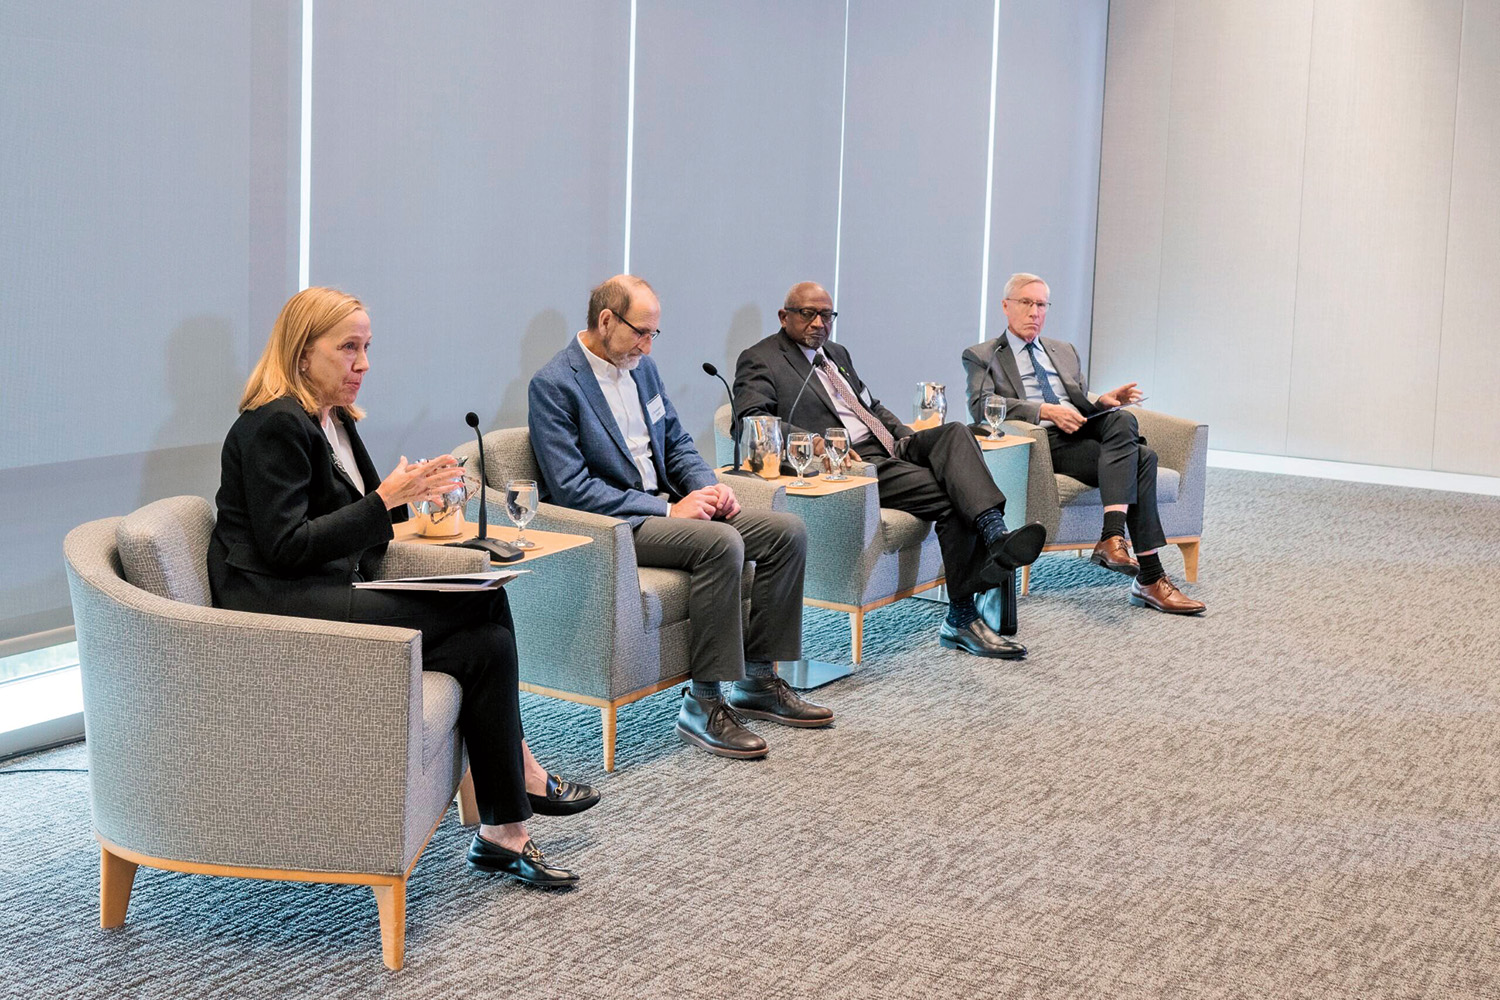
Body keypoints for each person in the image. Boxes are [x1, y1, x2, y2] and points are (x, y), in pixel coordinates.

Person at [208, 286, 597, 889]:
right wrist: (385, 499)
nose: (363, 364)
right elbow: (285, 547)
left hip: (324, 585)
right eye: (348, 348)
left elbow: (363, 533)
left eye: (367, 348)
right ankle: (521, 771)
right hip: (275, 604)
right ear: (302, 353)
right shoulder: (273, 425)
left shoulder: (332, 420)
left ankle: (503, 832)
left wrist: (418, 493)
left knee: (487, 640)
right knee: (484, 604)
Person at [528, 275, 830, 760]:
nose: (647, 347)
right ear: (606, 321)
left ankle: (758, 680)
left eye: (654, 335)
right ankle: (703, 703)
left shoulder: (641, 369)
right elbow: (572, 490)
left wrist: (707, 486)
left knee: (785, 532)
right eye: (640, 333)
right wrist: (668, 508)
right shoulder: (554, 384)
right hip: (622, 524)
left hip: (671, 507)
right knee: (720, 543)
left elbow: (677, 441)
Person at [733, 281, 1047, 660]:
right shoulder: (761, 358)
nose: (819, 323)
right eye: (808, 314)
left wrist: (903, 438)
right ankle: (965, 610)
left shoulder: (836, 353)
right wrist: (812, 442)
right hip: (851, 462)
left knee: (955, 433)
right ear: (785, 316)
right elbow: (751, 420)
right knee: (955, 495)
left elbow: (870, 406)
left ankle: (994, 536)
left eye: (827, 315)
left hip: (887, 446)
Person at [961, 273, 1205, 614]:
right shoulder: (983, 355)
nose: (1034, 312)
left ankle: (1112, 538)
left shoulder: (1064, 350)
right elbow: (980, 405)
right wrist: (1045, 410)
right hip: (1045, 442)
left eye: (1041, 304)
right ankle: (1149, 576)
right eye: (1026, 303)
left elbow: (1079, 402)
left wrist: (1103, 402)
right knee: (1143, 459)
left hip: (1081, 429)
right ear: (1006, 306)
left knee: (1122, 418)